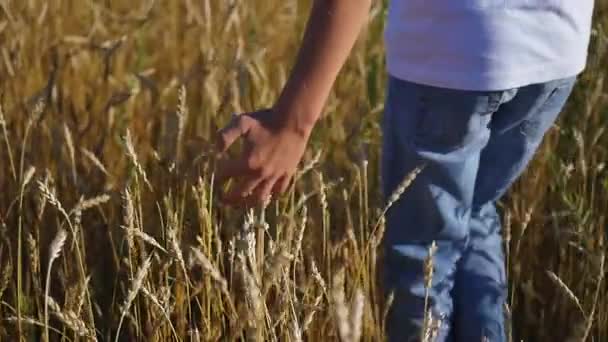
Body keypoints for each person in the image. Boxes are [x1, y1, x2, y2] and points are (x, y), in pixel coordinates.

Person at [215, 1, 595, 341]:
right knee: (476, 210)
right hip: (558, 45)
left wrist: (291, 124)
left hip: (453, 51)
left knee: (425, 257)